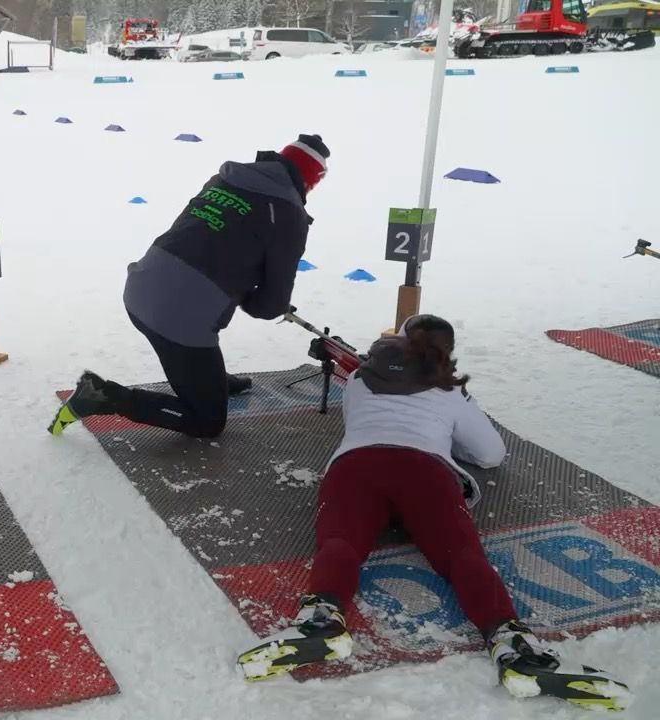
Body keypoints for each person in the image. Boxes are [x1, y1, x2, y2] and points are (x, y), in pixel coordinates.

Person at [236, 315, 631, 710]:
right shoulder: (449, 390)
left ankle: (320, 620)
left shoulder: (359, 379)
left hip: (356, 468)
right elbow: (490, 454)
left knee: (340, 543)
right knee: (462, 556)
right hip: (424, 473)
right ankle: (513, 645)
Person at [49, 134, 330, 439]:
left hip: (140, 287)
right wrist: (252, 294)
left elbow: (205, 242)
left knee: (198, 318)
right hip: (176, 317)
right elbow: (269, 306)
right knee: (207, 421)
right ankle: (104, 397)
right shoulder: (290, 214)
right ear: (309, 180)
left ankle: (210, 378)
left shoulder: (224, 180)